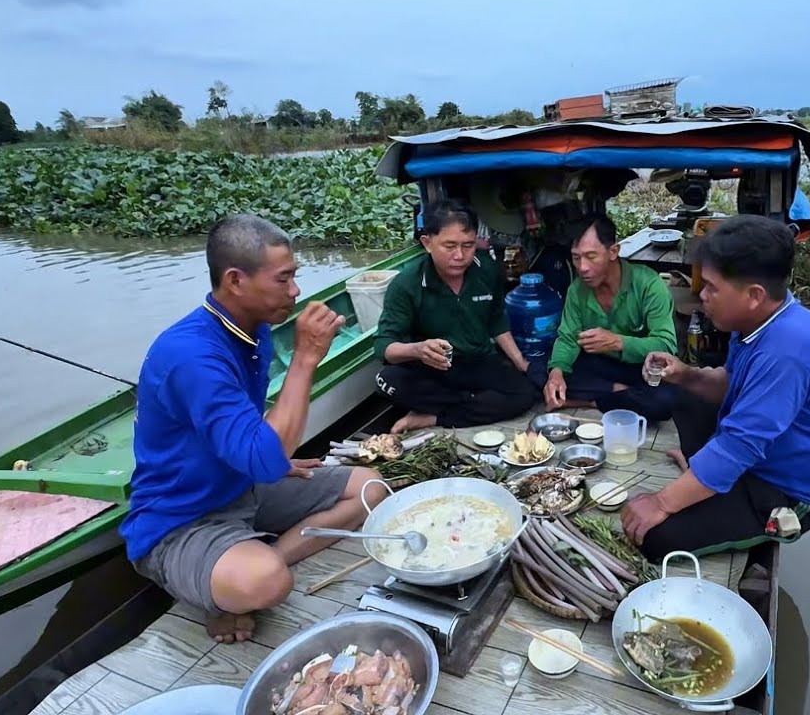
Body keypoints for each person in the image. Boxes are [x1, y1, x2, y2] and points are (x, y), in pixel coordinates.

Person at [121, 214, 387, 644]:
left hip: (242, 482)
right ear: (235, 281)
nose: (295, 291)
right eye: (283, 279)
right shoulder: (192, 356)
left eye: (294, 276)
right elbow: (264, 459)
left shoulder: (254, 330)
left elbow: (255, 443)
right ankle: (233, 579)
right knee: (266, 581)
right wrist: (304, 358)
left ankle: (259, 558)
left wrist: (276, 461)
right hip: (183, 517)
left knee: (370, 489)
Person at [621, 214, 810, 563]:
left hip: (785, 488)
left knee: (653, 537)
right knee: (686, 394)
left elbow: (740, 444)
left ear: (754, 295)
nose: (701, 295)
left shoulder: (787, 350)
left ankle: (727, 496)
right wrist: (686, 375)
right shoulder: (756, 321)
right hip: (759, 454)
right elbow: (733, 385)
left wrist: (662, 501)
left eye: (712, 287)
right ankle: (707, 477)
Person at [373, 200, 537, 434]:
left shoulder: (487, 269)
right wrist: (418, 350)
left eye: (468, 245)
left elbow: (496, 320)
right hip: (433, 366)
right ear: (427, 243)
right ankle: (472, 403)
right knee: (386, 381)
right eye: (449, 246)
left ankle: (433, 416)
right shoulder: (407, 284)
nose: (460, 255)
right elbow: (384, 346)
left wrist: (521, 363)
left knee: (524, 394)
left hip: (478, 361)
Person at [531, 213, 680, 422]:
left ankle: (592, 400)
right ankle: (619, 393)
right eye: (576, 258)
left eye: (591, 256)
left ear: (613, 251)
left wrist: (618, 342)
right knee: (538, 370)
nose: (582, 267)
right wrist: (556, 373)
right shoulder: (577, 290)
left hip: (639, 367)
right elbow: (568, 338)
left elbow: (666, 345)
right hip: (598, 365)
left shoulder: (648, 285)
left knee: (664, 401)